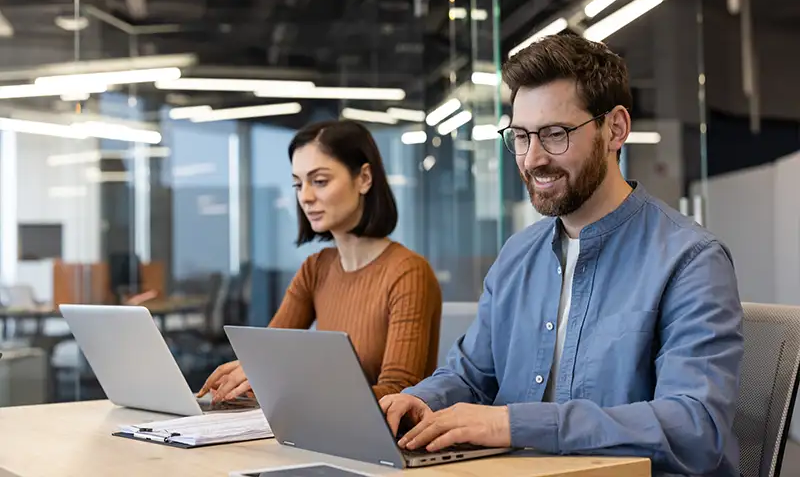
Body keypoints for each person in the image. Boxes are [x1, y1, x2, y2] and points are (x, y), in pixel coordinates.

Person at [380, 34, 743, 476]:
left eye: (554, 134)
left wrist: (516, 424)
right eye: (520, 136)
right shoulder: (517, 256)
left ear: (615, 129)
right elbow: (472, 374)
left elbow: (694, 428)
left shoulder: (691, 260)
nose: (532, 159)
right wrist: (420, 400)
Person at [198, 120, 442, 402]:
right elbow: (266, 355)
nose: (305, 197)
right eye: (298, 184)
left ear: (364, 178)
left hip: (384, 440)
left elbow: (398, 393)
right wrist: (250, 374)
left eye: (320, 181)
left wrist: (294, 386)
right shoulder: (316, 268)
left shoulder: (408, 272)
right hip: (323, 432)